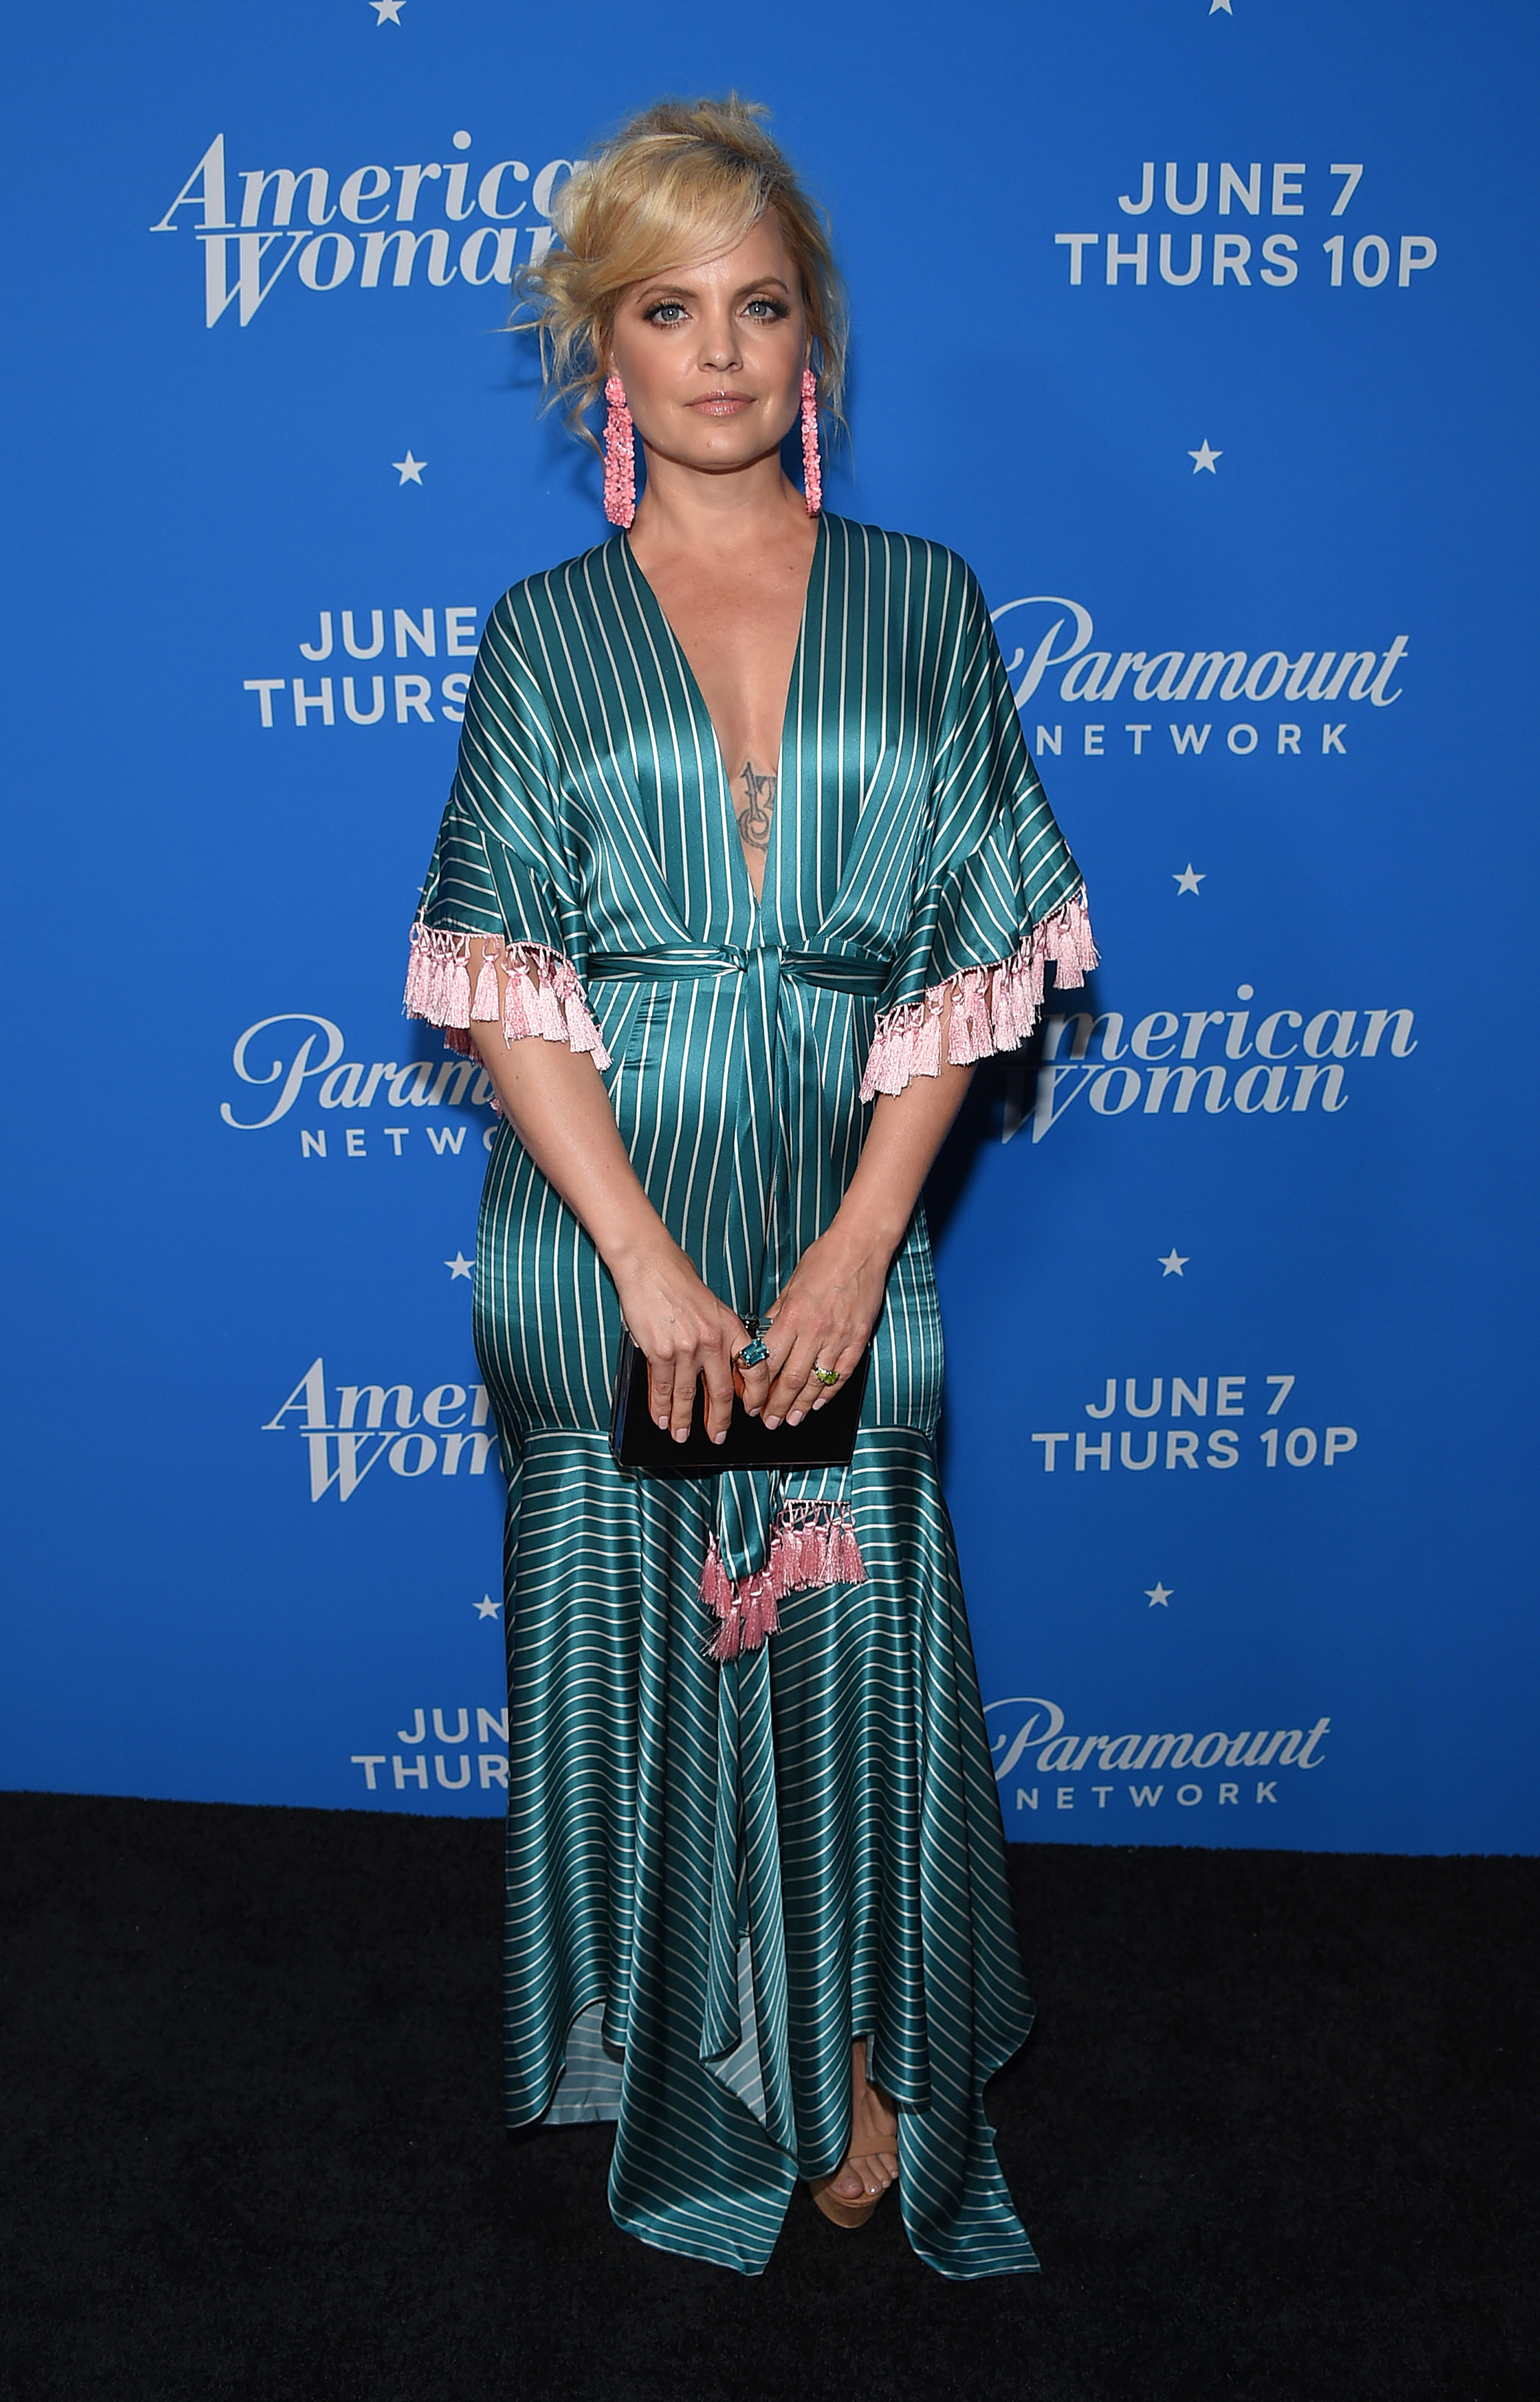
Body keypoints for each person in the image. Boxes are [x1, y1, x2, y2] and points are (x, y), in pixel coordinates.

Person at [404, 95, 1094, 2280]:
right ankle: (694, 2067)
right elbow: (501, 975)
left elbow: (975, 959)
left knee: (850, 1623)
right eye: (664, 308)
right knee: (644, 1638)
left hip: (841, 1208)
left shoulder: (925, 602)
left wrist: (861, 1244)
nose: (717, 351)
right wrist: (638, 1265)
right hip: (599, 1228)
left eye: (759, 304)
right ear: (600, 355)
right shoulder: (541, 633)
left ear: (817, 343)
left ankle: (869, 2050)